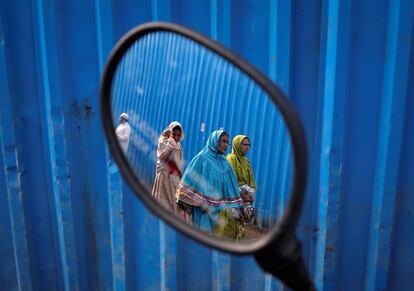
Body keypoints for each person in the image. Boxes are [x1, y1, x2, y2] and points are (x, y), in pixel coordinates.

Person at [176, 129, 244, 240]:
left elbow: (231, 187)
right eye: (223, 141)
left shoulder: (225, 164)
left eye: (227, 142)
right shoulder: (201, 158)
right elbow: (189, 178)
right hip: (204, 211)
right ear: (214, 140)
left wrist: (236, 206)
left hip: (220, 214)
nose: (226, 145)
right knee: (203, 240)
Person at [151, 122, 191, 223]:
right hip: (164, 177)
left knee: (175, 204)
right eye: (174, 134)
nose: (176, 137)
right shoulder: (164, 141)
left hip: (175, 178)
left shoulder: (179, 146)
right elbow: (162, 156)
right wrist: (169, 141)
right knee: (163, 204)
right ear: (170, 132)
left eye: (178, 135)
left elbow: (179, 163)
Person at [227, 135, 256, 224]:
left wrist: (250, 193)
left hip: (244, 197)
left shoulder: (246, 161)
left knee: (240, 224)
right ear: (237, 144)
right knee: (230, 223)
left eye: (248, 145)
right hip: (232, 195)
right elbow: (231, 180)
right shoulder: (231, 158)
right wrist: (241, 194)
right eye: (244, 144)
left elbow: (249, 180)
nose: (247, 147)